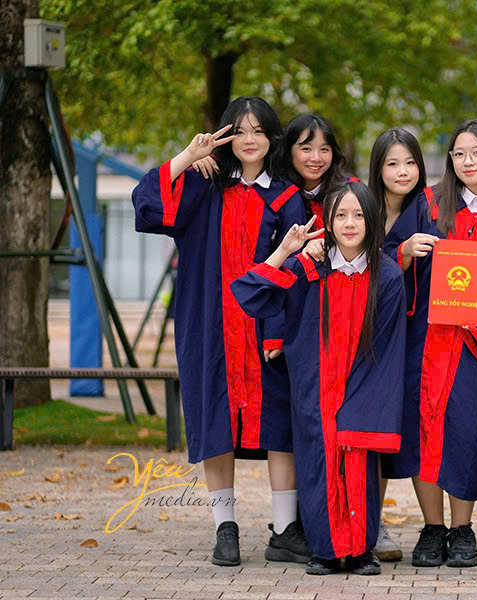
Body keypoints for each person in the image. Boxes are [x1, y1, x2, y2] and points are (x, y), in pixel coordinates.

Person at [132, 97, 309, 567]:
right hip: (208, 327)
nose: (250, 140)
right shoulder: (202, 186)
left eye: (259, 131)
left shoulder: (287, 197)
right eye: (240, 131)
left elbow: (295, 269)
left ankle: (284, 530)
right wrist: (188, 156)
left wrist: (279, 332)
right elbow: (148, 206)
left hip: (266, 331)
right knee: (216, 423)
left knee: (280, 424)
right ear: (226, 136)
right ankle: (224, 528)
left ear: (272, 139)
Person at [231, 181, 408, 575]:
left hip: (363, 386)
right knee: (316, 463)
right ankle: (324, 549)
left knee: (358, 461)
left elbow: (387, 347)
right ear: (327, 221)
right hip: (313, 387)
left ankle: (361, 550)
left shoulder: (388, 277)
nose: (350, 223)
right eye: (340, 215)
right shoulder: (307, 269)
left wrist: (362, 400)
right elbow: (249, 295)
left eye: (358, 215)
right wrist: (285, 251)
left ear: (372, 219)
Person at [383, 119, 477, 568]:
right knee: (423, 429)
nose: (467, 162)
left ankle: (462, 529)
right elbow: (385, 257)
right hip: (424, 340)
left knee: (465, 431)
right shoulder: (428, 204)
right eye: (459, 154)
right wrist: (403, 252)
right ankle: (433, 527)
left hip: (475, 345)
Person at [365, 127, 429, 562]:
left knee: (413, 425)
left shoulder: (429, 209)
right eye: (392, 163)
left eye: (409, 163)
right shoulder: (360, 208)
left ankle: (435, 525)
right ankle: (373, 523)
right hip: (368, 335)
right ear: (378, 168)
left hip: (414, 333)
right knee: (373, 427)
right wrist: (400, 255)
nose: (402, 171)